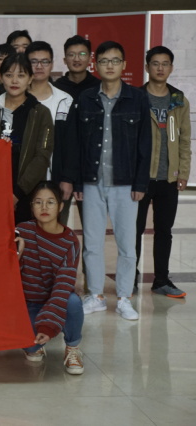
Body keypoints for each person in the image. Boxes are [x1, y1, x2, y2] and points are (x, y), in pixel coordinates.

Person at [68, 41, 151, 320]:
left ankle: (125, 297)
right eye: (104, 61)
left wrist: (141, 183)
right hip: (92, 181)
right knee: (92, 243)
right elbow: (77, 143)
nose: (110, 66)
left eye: (115, 60)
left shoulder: (137, 98)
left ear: (124, 65)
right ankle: (97, 295)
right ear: (96, 65)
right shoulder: (86, 98)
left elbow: (145, 143)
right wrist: (78, 182)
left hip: (126, 183)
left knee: (127, 244)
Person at [135, 46, 191, 297]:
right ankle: (130, 278)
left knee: (164, 232)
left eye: (165, 63)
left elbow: (184, 139)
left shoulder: (178, 99)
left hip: (168, 177)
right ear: (147, 67)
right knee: (133, 231)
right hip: (141, 177)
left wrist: (183, 172)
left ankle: (161, 280)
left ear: (171, 68)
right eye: (155, 63)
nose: (160, 68)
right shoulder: (136, 97)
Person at [16, 181, 84, 375]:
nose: (44, 207)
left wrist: (48, 325)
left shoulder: (69, 242)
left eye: (50, 202)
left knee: (73, 301)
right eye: (38, 202)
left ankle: (72, 348)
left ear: (60, 206)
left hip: (56, 299)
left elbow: (63, 286)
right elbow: (7, 276)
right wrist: (17, 255)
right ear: (32, 207)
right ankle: (35, 345)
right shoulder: (22, 231)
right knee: (31, 347)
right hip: (28, 302)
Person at [0, 53, 54, 224]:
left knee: (26, 238)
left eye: (21, 75)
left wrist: (17, 194)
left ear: (30, 78)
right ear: (0, 77)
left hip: (29, 192)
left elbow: (42, 156)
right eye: (9, 75)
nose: (14, 81)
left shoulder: (41, 113)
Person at [25, 41, 74, 223]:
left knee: (55, 230)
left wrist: (67, 178)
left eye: (44, 61)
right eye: (34, 61)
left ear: (52, 64)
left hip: (57, 178)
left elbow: (71, 143)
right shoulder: (16, 98)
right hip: (25, 180)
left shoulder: (65, 100)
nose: (39, 66)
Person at [53, 36, 101, 102]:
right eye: (71, 55)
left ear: (90, 59)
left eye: (82, 54)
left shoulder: (99, 87)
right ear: (65, 60)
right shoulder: (56, 88)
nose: (76, 59)